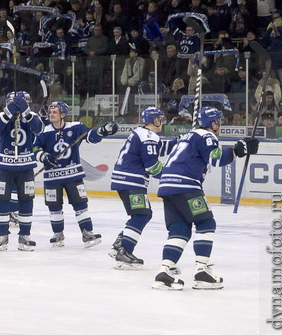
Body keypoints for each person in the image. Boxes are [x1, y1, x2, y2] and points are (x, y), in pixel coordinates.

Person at [152, 107, 258, 290]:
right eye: (219, 121)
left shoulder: (187, 136)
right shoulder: (207, 136)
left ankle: (165, 272)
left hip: (167, 187)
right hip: (186, 186)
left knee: (180, 229)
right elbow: (215, 159)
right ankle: (201, 271)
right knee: (206, 223)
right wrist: (238, 149)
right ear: (213, 123)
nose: (220, 125)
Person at [34, 101, 116, 248]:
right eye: (50, 112)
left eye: (55, 112)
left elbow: (91, 136)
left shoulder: (75, 127)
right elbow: (34, 148)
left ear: (63, 115)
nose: (51, 114)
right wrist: (43, 156)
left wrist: (102, 131)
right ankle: (58, 234)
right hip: (52, 178)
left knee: (80, 205)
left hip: (73, 175)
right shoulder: (44, 131)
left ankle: (87, 233)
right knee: (54, 207)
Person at [109, 107, 175, 269]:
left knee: (142, 214)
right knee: (141, 215)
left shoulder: (141, 133)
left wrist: (180, 141)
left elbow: (158, 148)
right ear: (155, 120)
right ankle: (124, 251)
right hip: (132, 181)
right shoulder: (149, 136)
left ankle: (120, 243)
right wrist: (170, 177)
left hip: (125, 180)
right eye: (160, 119)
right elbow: (152, 165)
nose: (162, 122)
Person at [0, 91, 44, 251]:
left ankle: (24, 236)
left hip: (25, 167)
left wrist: (26, 112)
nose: (17, 106)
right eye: (11, 103)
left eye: (22, 103)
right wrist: (9, 112)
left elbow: (38, 129)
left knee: (26, 200)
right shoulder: (1, 115)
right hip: (4, 167)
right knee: (0, 200)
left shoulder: (32, 116)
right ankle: (2, 235)